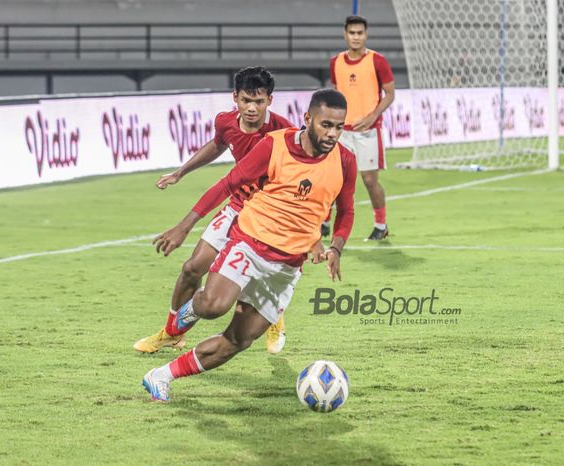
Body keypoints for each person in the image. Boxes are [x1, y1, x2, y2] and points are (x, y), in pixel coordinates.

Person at [142, 89, 357, 402]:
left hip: (286, 268)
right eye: (326, 125)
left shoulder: (345, 162)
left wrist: (336, 248)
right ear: (308, 119)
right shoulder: (275, 145)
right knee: (214, 306)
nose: (332, 133)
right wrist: (184, 226)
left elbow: (347, 210)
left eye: (339, 127)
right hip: (250, 244)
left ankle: (161, 375)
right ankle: (188, 313)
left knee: (239, 340)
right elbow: (229, 183)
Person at [133, 66, 294, 355]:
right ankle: (172, 334)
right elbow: (220, 144)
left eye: (259, 101)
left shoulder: (284, 131)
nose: (252, 108)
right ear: (235, 97)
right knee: (191, 268)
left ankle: (273, 316)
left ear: (270, 100)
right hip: (237, 204)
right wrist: (181, 172)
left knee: (254, 277)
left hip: (267, 214)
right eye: (246, 100)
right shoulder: (225, 121)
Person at [329, 15, 395, 241]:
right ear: (345, 34)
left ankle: (381, 224)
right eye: (352, 33)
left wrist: (373, 116)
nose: (356, 37)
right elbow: (336, 94)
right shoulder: (335, 61)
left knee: (369, 180)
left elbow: (390, 94)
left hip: (368, 131)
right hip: (342, 132)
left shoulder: (377, 61)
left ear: (366, 35)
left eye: (360, 33)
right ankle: (324, 222)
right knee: (332, 178)